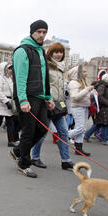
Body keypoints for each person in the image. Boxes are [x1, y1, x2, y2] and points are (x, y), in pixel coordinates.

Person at [9, 20, 55, 178]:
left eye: (44, 32)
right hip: (27, 96)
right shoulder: (22, 50)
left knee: (42, 129)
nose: (42, 35)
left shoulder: (41, 51)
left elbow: (44, 77)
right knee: (28, 131)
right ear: (32, 32)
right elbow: (20, 77)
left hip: (40, 96)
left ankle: (18, 151)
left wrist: (48, 97)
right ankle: (24, 164)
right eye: (39, 32)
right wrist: (22, 99)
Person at [30, 42, 74, 170]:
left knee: (64, 132)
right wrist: (47, 99)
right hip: (47, 104)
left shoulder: (61, 69)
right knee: (42, 133)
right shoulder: (46, 66)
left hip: (58, 105)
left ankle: (66, 160)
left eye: (61, 52)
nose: (59, 54)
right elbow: (43, 85)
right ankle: (35, 157)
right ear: (50, 53)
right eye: (56, 52)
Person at [0, 62, 20, 147]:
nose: (11, 70)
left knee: (10, 122)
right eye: (9, 68)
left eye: (11, 69)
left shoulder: (10, 79)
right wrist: (6, 101)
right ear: (4, 69)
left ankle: (10, 141)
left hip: (9, 102)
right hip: (1, 103)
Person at [84, 73, 108, 146]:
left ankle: (87, 135)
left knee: (99, 124)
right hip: (104, 108)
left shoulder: (105, 86)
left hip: (105, 107)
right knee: (105, 123)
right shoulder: (103, 86)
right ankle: (105, 139)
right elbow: (99, 96)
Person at [68, 65, 93, 156]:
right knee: (80, 128)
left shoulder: (82, 82)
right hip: (78, 107)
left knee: (82, 128)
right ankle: (64, 135)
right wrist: (87, 90)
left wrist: (91, 94)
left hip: (84, 106)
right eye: (84, 71)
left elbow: (82, 95)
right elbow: (75, 97)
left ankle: (79, 148)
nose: (86, 73)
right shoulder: (73, 83)